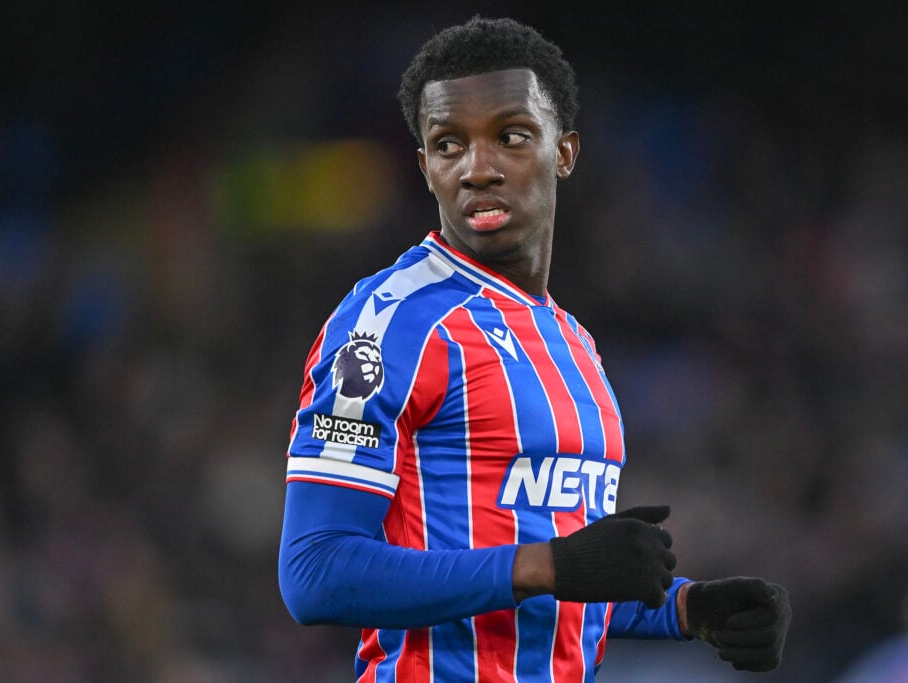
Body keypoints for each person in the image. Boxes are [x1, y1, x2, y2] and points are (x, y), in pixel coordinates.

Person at [278, 16, 791, 682]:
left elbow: (566, 580)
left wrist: (687, 607)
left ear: (565, 151)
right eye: (448, 144)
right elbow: (313, 571)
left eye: (511, 137)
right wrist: (547, 564)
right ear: (425, 166)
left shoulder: (574, 343)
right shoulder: (386, 324)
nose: (477, 168)